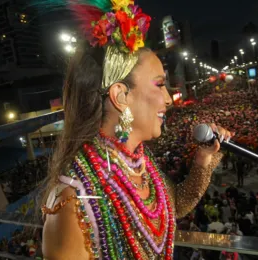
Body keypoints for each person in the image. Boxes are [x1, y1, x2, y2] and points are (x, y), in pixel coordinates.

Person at [38, 1, 233, 259]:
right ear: (121, 95)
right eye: (159, 85)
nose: (168, 98)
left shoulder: (140, 161)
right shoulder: (73, 200)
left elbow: (173, 207)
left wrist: (203, 160)